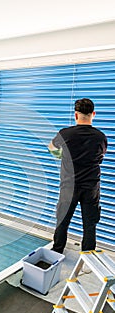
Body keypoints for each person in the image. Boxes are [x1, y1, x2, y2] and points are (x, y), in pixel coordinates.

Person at [48, 98, 107, 254]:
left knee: (62, 222)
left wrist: (61, 155)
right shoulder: (100, 137)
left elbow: (51, 148)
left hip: (69, 187)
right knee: (90, 224)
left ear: (76, 115)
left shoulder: (65, 134)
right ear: (93, 114)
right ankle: (87, 259)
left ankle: (56, 253)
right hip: (91, 188)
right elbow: (100, 156)